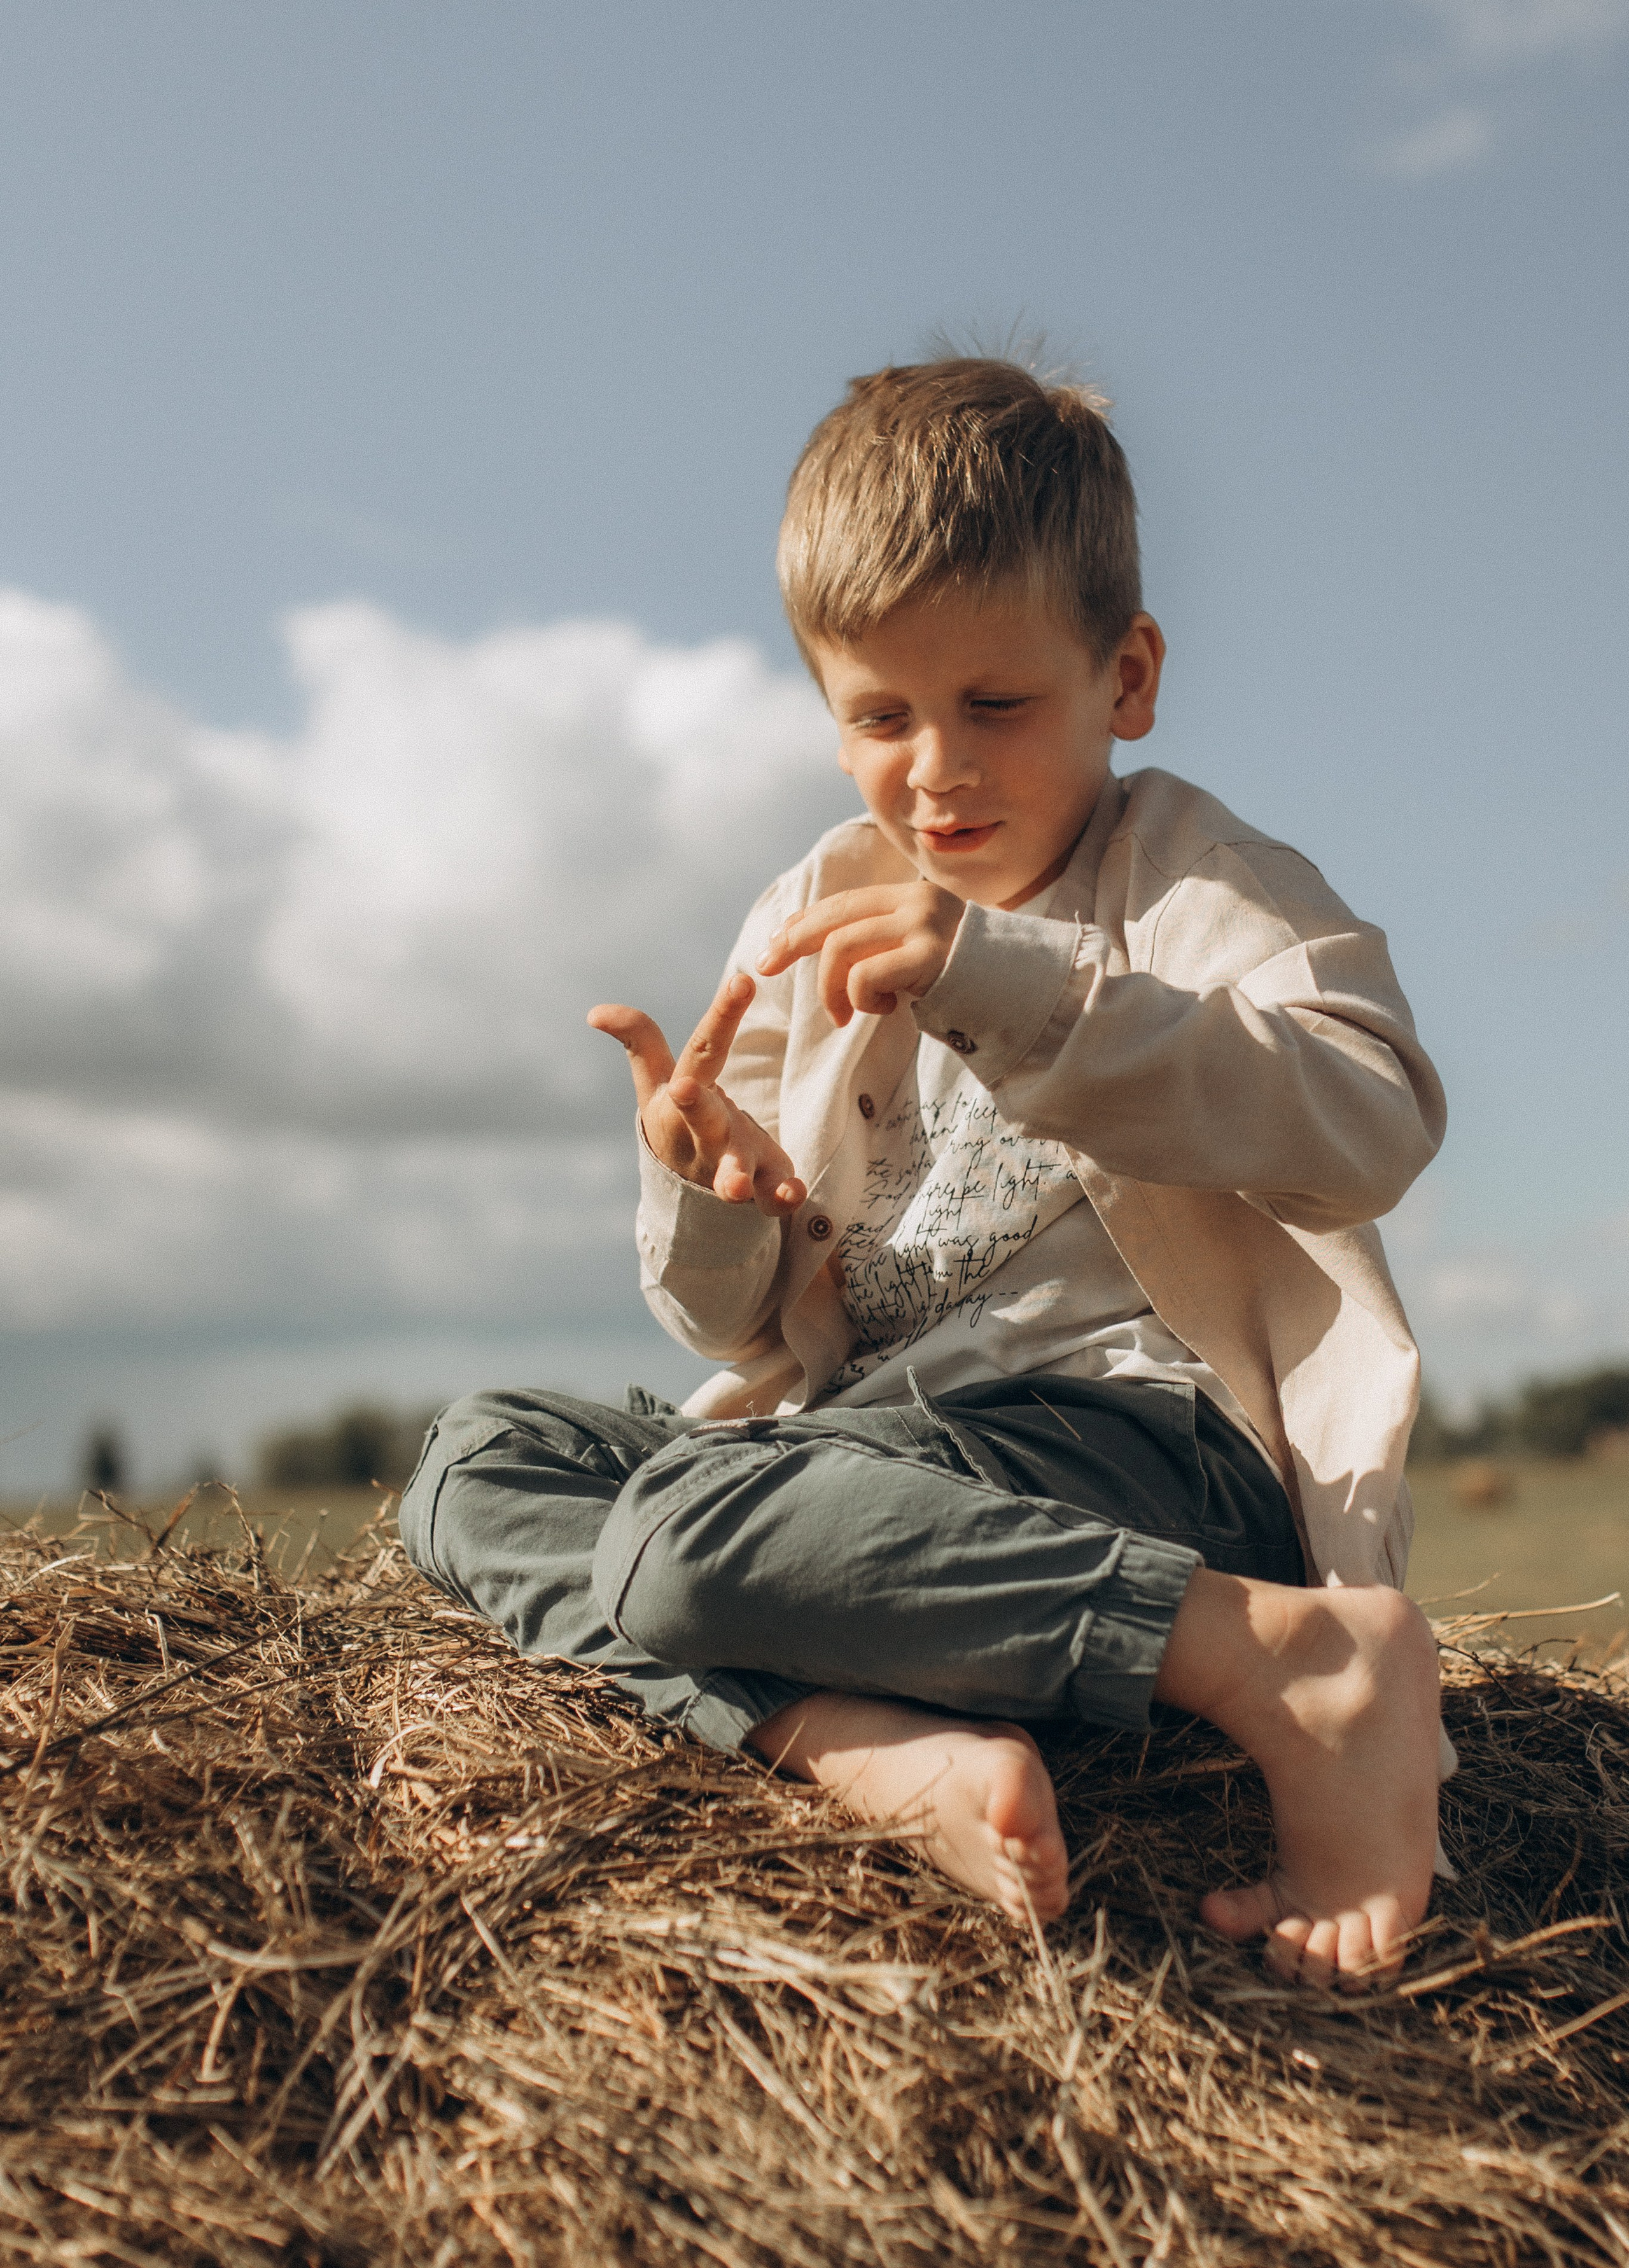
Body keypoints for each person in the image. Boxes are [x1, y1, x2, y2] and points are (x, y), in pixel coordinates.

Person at [400, 357, 1450, 1986]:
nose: (936, 767)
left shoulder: (1200, 885)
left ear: (1125, 677)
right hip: (880, 1461)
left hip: (1150, 1451)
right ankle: (858, 1744)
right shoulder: (807, 908)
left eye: (994, 706)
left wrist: (1008, 986)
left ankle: (1283, 1660)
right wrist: (709, 1195)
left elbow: (1371, 1120)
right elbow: (735, 1331)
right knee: (477, 1460)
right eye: (880, 717)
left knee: (683, 1530)